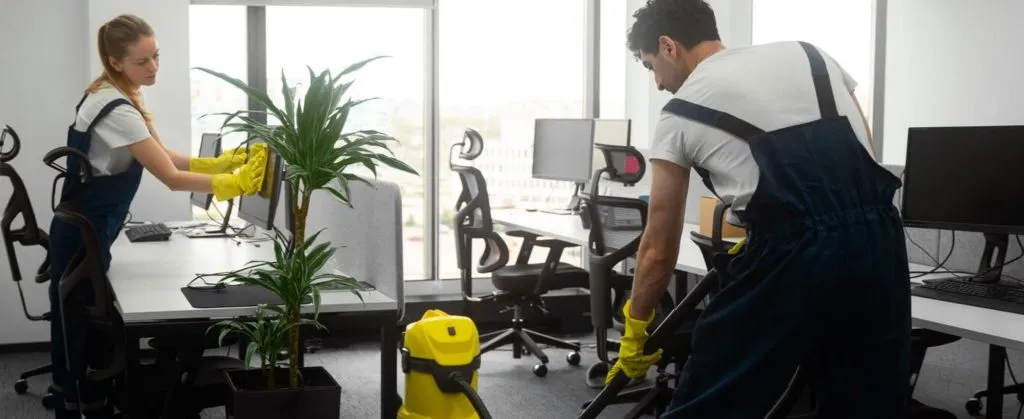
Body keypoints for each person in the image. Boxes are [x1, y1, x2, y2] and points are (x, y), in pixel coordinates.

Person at [606, 0, 911, 418]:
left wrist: (635, 329)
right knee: (866, 398)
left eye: (648, 65)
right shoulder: (810, 54)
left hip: (791, 258)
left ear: (668, 46)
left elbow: (659, 248)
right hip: (879, 240)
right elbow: (865, 153)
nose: (657, 83)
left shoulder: (677, 114)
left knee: (713, 393)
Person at [47, 14, 267, 419]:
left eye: (156, 57)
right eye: (141, 61)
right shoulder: (116, 108)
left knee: (83, 320)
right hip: (84, 233)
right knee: (79, 325)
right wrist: (231, 184)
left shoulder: (119, 93)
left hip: (88, 226)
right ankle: (81, 405)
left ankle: (89, 399)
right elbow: (168, 176)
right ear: (116, 62)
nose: (153, 68)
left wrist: (219, 163)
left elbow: (165, 156)